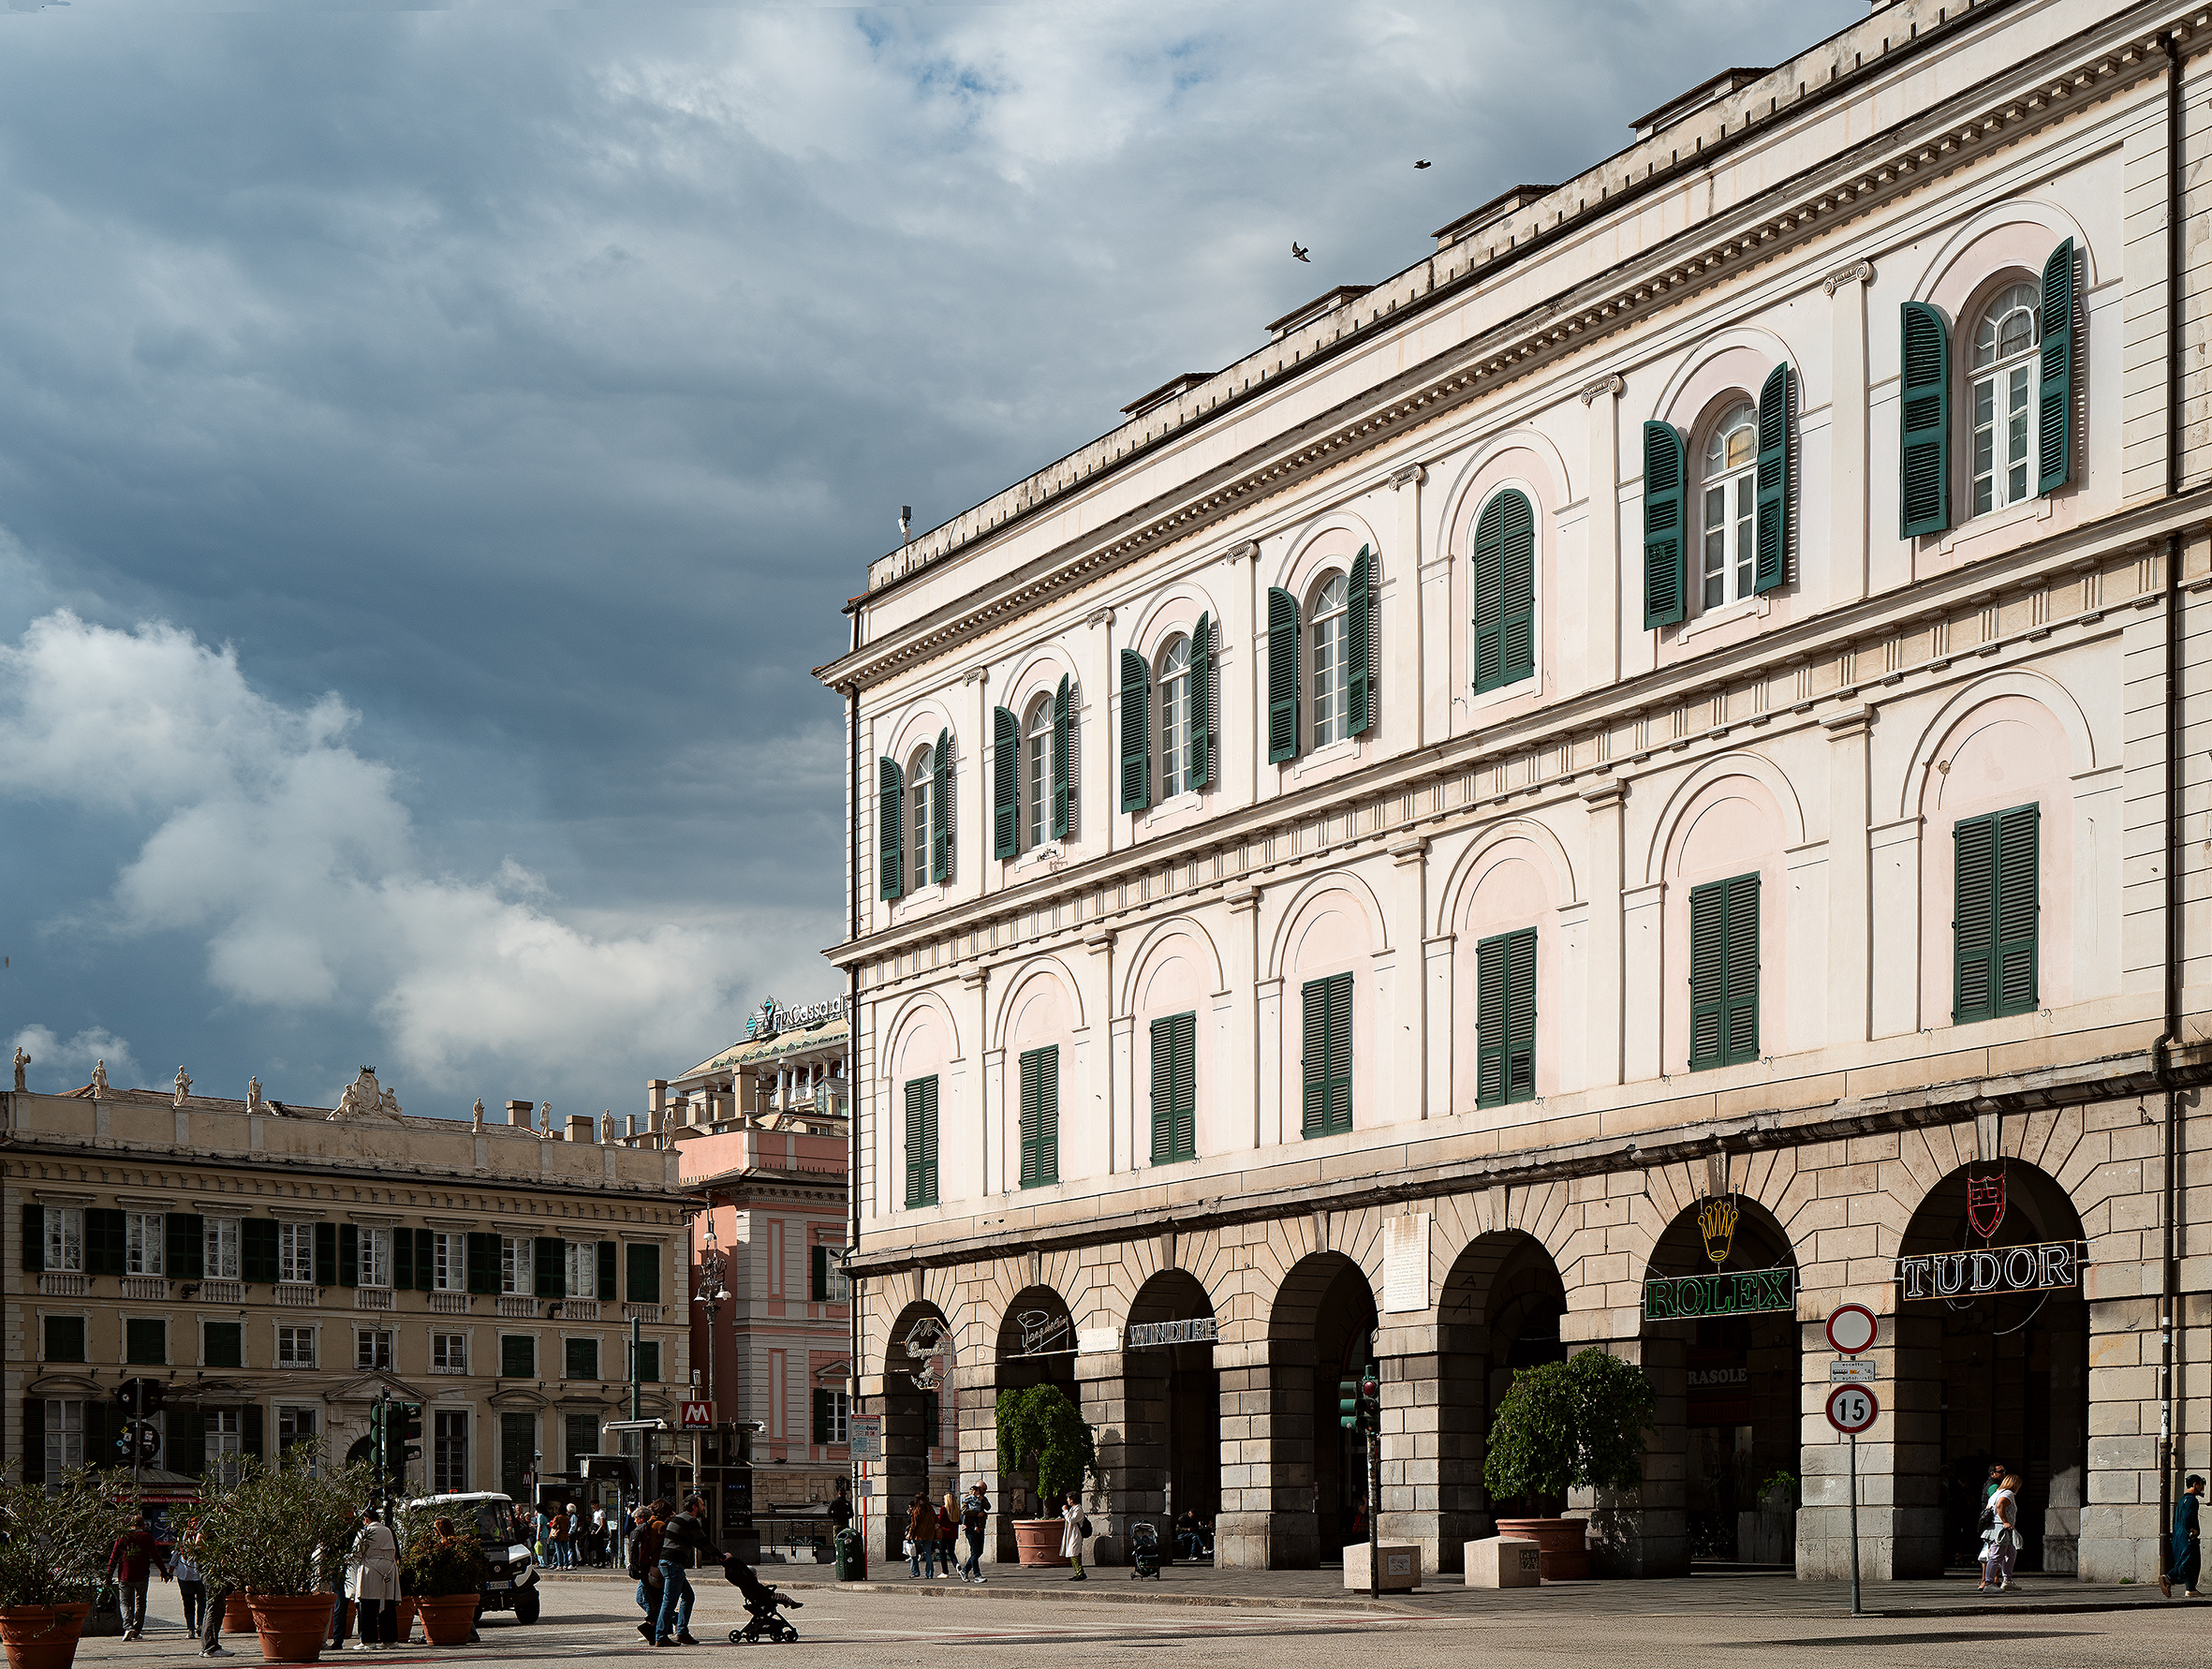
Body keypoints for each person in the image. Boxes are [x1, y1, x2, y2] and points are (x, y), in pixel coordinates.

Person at [654, 1495, 718, 1647]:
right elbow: (703, 1542)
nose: (704, 1508)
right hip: (673, 1564)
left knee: (688, 1596)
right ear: (694, 1507)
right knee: (669, 1601)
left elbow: (695, 1542)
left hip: (668, 1563)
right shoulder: (690, 1521)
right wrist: (721, 1556)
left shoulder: (678, 1519)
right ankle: (661, 1635)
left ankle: (682, 1632)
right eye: (702, 1505)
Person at [107, 1511, 166, 1641]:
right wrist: (164, 1571)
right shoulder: (147, 1537)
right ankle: (137, 1630)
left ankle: (128, 1627)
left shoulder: (122, 1537)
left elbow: (113, 1556)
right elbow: (156, 1556)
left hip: (124, 1575)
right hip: (142, 1575)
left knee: (124, 1602)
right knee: (141, 1603)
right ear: (143, 1525)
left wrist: (108, 1575)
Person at [351, 1508, 401, 1649]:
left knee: (367, 1606)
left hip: (370, 1569)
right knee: (388, 1606)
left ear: (366, 1519)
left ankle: (368, 1641)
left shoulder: (365, 1532)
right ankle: (390, 1640)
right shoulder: (388, 1531)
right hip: (389, 1569)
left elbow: (357, 1552)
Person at [1979, 1470, 2020, 1593]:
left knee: (2010, 1554)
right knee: (1996, 1556)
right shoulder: (2008, 1493)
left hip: (1997, 1528)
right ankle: (1989, 1583)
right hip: (2001, 1529)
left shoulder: (1996, 1493)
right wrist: (2005, 1521)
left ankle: (2007, 1581)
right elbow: (2000, 1505)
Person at [627, 1505, 663, 1642]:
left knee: (644, 1598)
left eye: (636, 1518)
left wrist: (635, 1566)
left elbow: (632, 1548)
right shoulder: (653, 1528)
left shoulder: (640, 1529)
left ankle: (656, 1624)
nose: (635, 1521)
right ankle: (658, 1623)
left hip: (644, 1569)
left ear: (641, 1518)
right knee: (649, 1598)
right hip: (651, 1567)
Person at [2165, 1474, 2205, 1599]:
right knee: (2189, 1562)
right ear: (2195, 1484)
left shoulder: (2182, 1500)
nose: (2202, 1488)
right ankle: (2168, 1577)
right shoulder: (2192, 1500)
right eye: (2200, 1484)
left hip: (2179, 1536)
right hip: (2187, 1537)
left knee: (2189, 1562)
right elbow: (2189, 1518)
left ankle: (2191, 1589)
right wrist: (2194, 1530)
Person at [958, 1482, 989, 1584]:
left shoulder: (982, 1498)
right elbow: (964, 1510)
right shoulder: (968, 1497)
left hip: (980, 1527)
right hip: (971, 1527)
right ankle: (977, 1575)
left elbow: (988, 1507)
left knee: (979, 1551)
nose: (985, 1491)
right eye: (984, 1489)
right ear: (978, 1489)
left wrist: (981, 1499)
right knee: (975, 1551)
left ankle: (964, 1570)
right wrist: (976, 1514)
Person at [172, 1546, 206, 1637]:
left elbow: (174, 1559)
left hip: (184, 1576)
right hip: (199, 1576)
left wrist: (169, 1572)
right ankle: (200, 1626)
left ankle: (191, 1629)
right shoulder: (203, 1542)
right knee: (202, 1601)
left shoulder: (181, 1544)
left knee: (188, 1603)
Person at [906, 1493, 936, 1578]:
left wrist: (910, 1534)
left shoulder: (917, 1510)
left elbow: (914, 1524)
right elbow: (936, 1520)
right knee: (928, 1554)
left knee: (914, 1554)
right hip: (929, 1534)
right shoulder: (930, 1509)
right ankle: (929, 1574)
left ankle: (915, 1572)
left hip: (918, 1535)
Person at [1060, 1491, 1087, 1582]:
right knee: (1072, 1553)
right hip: (1071, 1533)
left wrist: (1065, 1511)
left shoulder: (1078, 1509)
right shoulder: (1073, 1509)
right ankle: (1078, 1572)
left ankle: (1080, 1573)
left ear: (1072, 1500)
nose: (1067, 1500)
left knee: (1074, 1553)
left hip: (1076, 1534)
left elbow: (1072, 1520)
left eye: (1068, 1498)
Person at [936, 1493, 959, 1580]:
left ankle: (945, 1571)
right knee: (951, 1552)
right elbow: (959, 1521)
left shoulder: (943, 1509)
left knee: (942, 1552)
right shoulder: (956, 1509)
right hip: (953, 1533)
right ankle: (956, 1564)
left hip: (944, 1533)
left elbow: (941, 1521)